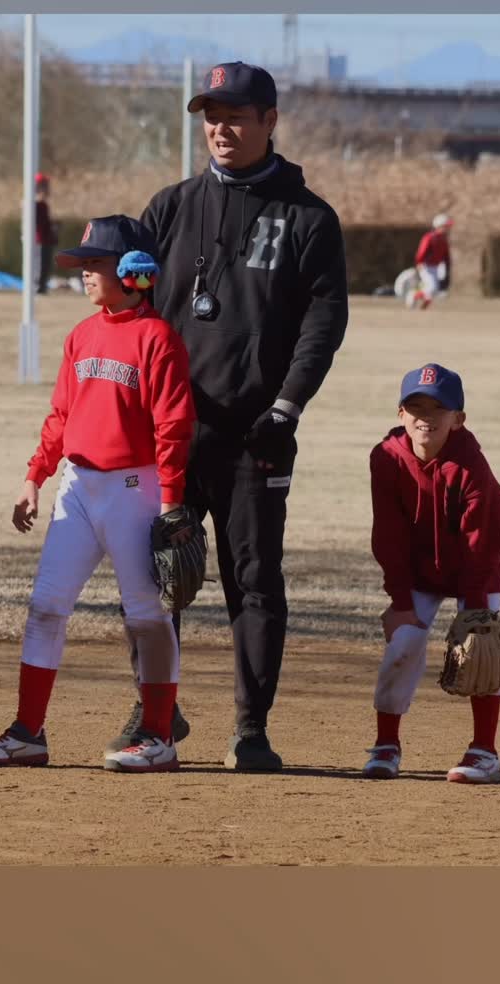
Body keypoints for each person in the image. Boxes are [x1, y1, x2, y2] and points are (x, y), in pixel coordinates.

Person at [109, 60, 348, 773]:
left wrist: (287, 406)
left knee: (254, 579)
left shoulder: (308, 217)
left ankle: (250, 730)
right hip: (174, 433)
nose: (220, 128)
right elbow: (130, 309)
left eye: (236, 116)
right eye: (211, 116)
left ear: (270, 122)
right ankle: (159, 709)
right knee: (157, 576)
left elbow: (323, 322)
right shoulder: (171, 207)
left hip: (255, 435)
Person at [0, 215, 196, 773]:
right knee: (47, 606)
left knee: (147, 615)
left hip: (134, 489)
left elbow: (174, 425)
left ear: (133, 270)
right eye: (86, 263)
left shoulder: (157, 337)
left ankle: (159, 737)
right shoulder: (83, 333)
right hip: (77, 486)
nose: (86, 272)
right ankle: (28, 733)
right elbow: (61, 416)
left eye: (97, 263)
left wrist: (170, 501)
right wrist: (34, 475)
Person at [362, 363, 500, 784]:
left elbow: (482, 541)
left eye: (438, 408)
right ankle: (386, 745)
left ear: (458, 419)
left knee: (484, 648)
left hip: (473, 568)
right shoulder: (386, 459)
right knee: (403, 643)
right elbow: (388, 535)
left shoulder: (470, 466)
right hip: (418, 572)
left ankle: (485, 751)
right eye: (415, 406)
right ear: (400, 413)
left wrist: (476, 612)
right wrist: (400, 601)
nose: (425, 416)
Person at [413, 213, 453, 305]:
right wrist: (419, 262)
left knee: (434, 289)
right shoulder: (429, 237)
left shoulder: (443, 239)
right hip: (426, 265)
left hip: (436, 266)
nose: (447, 229)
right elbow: (422, 252)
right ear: (439, 226)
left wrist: (447, 265)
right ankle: (415, 295)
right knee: (431, 287)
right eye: (446, 226)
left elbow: (446, 255)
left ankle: (418, 296)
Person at [35, 172, 57, 294]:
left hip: (45, 240)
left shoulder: (43, 204)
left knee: (45, 264)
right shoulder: (35, 204)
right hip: (38, 240)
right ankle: (38, 286)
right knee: (39, 265)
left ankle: (42, 286)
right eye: (45, 185)